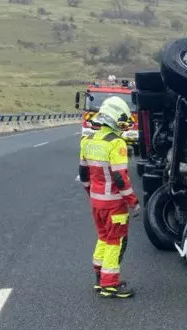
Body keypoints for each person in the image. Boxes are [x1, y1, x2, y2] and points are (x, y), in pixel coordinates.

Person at [79, 96, 140, 299]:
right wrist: (133, 201)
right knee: (116, 241)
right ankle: (110, 283)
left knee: (103, 238)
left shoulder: (87, 141)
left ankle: (99, 278)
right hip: (114, 203)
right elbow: (120, 177)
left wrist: (91, 193)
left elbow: (84, 174)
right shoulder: (117, 144)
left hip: (96, 202)